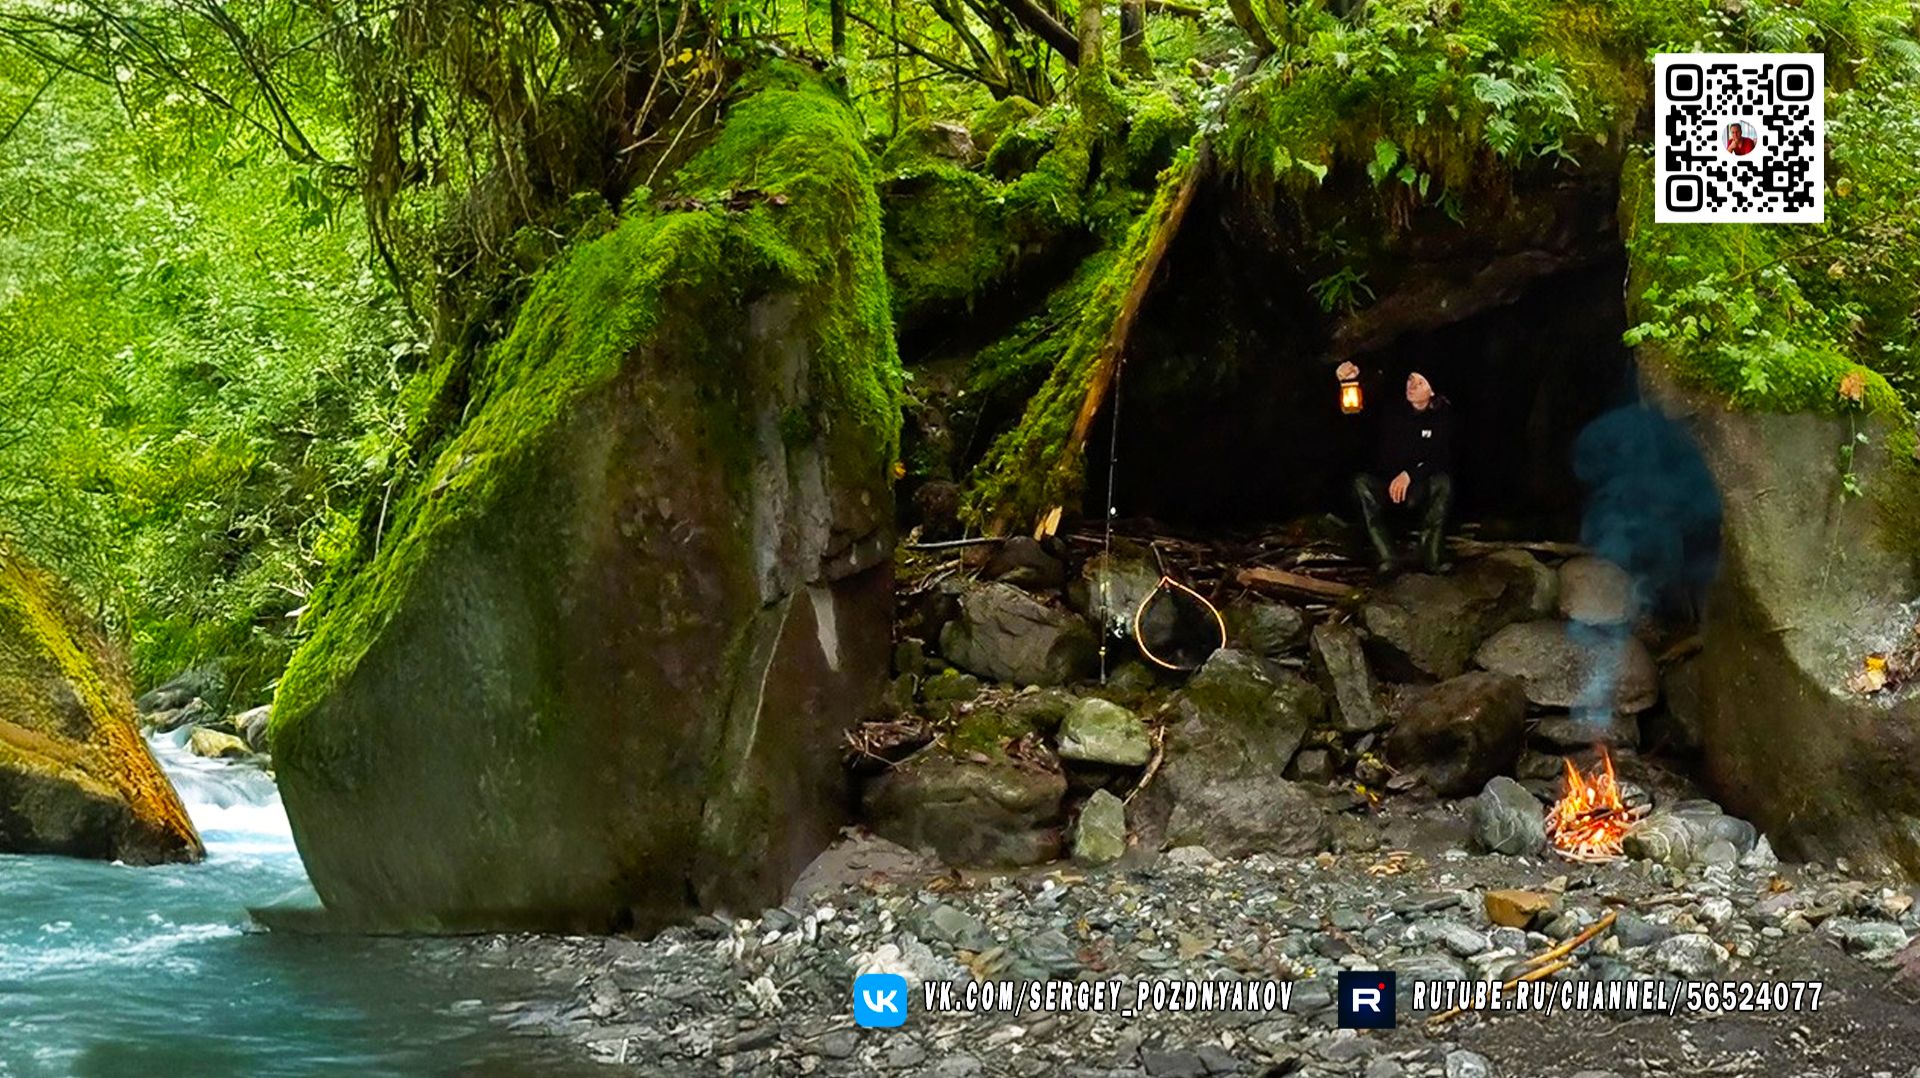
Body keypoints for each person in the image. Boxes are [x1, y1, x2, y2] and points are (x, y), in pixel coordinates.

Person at [1334, 361, 1456, 573]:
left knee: (1443, 482)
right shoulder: (1392, 410)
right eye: (1411, 379)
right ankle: (1386, 556)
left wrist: (1410, 475)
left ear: (1432, 391)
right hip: (1387, 487)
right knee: (1361, 483)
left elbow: (1442, 457)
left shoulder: (1442, 417)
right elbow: (1357, 415)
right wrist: (1350, 382)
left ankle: (1433, 556)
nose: (1412, 385)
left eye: (1420, 383)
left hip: (1417, 489)